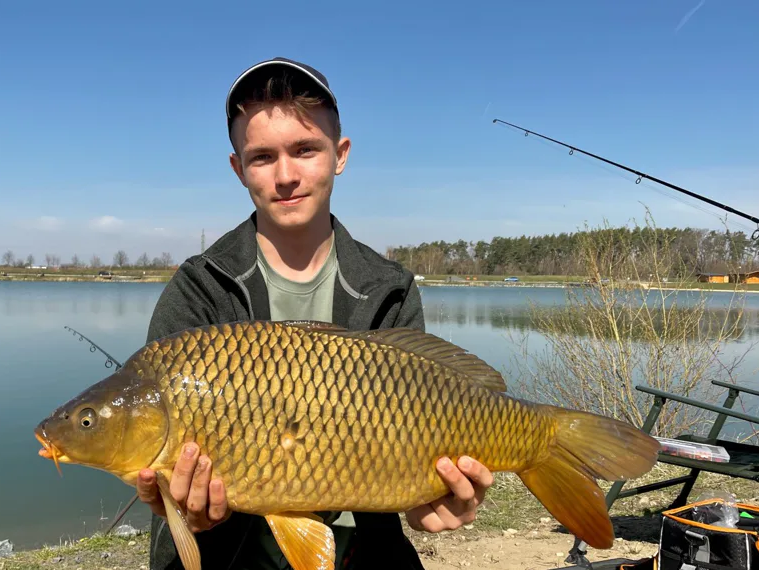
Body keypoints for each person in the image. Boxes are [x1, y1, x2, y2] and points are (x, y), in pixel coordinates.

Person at [136, 57, 495, 570]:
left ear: (339, 155)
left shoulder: (388, 288)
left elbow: (415, 452)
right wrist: (185, 511)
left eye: (305, 149)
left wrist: (429, 501)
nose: (286, 175)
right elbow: (171, 497)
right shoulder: (198, 289)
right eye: (262, 157)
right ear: (238, 168)